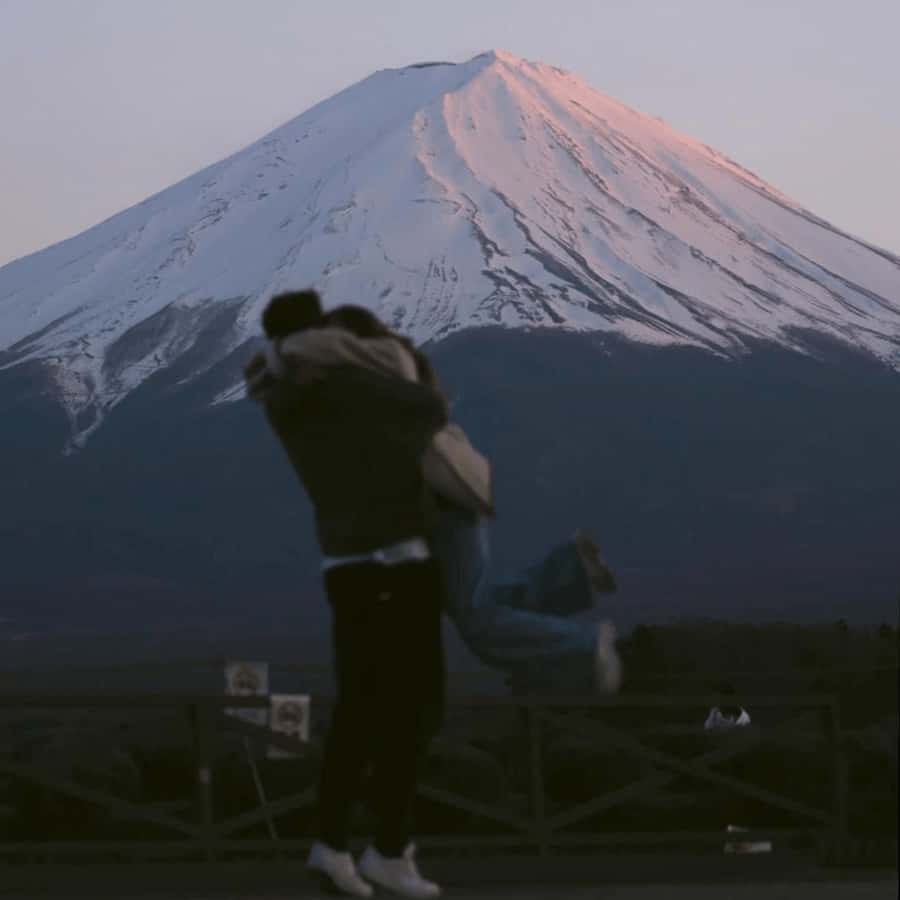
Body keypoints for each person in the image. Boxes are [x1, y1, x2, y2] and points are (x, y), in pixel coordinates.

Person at [270, 301, 623, 696]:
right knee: (471, 603)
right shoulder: (381, 380)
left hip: (439, 505)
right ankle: (573, 568)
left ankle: (583, 648)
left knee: (475, 618)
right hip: (443, 500)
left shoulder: (362, 390)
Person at [245, 290, 444, 899]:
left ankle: (336, 845)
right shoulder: (343, 384)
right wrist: (391, 348)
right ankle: (388, 850)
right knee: (415, 707)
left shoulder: (283, 393)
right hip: (396, 560)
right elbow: (427, 405)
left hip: (346, 567)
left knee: (360, 707)